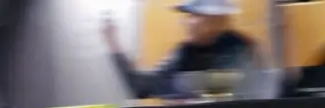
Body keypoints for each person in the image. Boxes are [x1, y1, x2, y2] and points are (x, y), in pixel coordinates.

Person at [102, 0, 260, 100]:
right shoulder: (184, 53)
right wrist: (114, 44)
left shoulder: (239, 48)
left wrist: (183, 90)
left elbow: (237, 89)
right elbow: (142, 88)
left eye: (193, 16)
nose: (185, 22)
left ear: (216, 20)